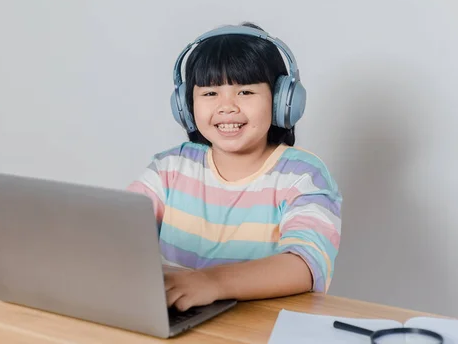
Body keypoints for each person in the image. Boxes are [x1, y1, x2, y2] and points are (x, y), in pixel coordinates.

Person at [127, 22, 342, 312]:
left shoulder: (302, 176)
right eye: (210, 94)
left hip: (259, 329)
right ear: (186, 105)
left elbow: (305, 265)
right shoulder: (170, 169)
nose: (227, 107)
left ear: (282, 101)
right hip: (176, 319)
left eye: (245, 92)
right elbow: (119, 233)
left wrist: (212, 282)